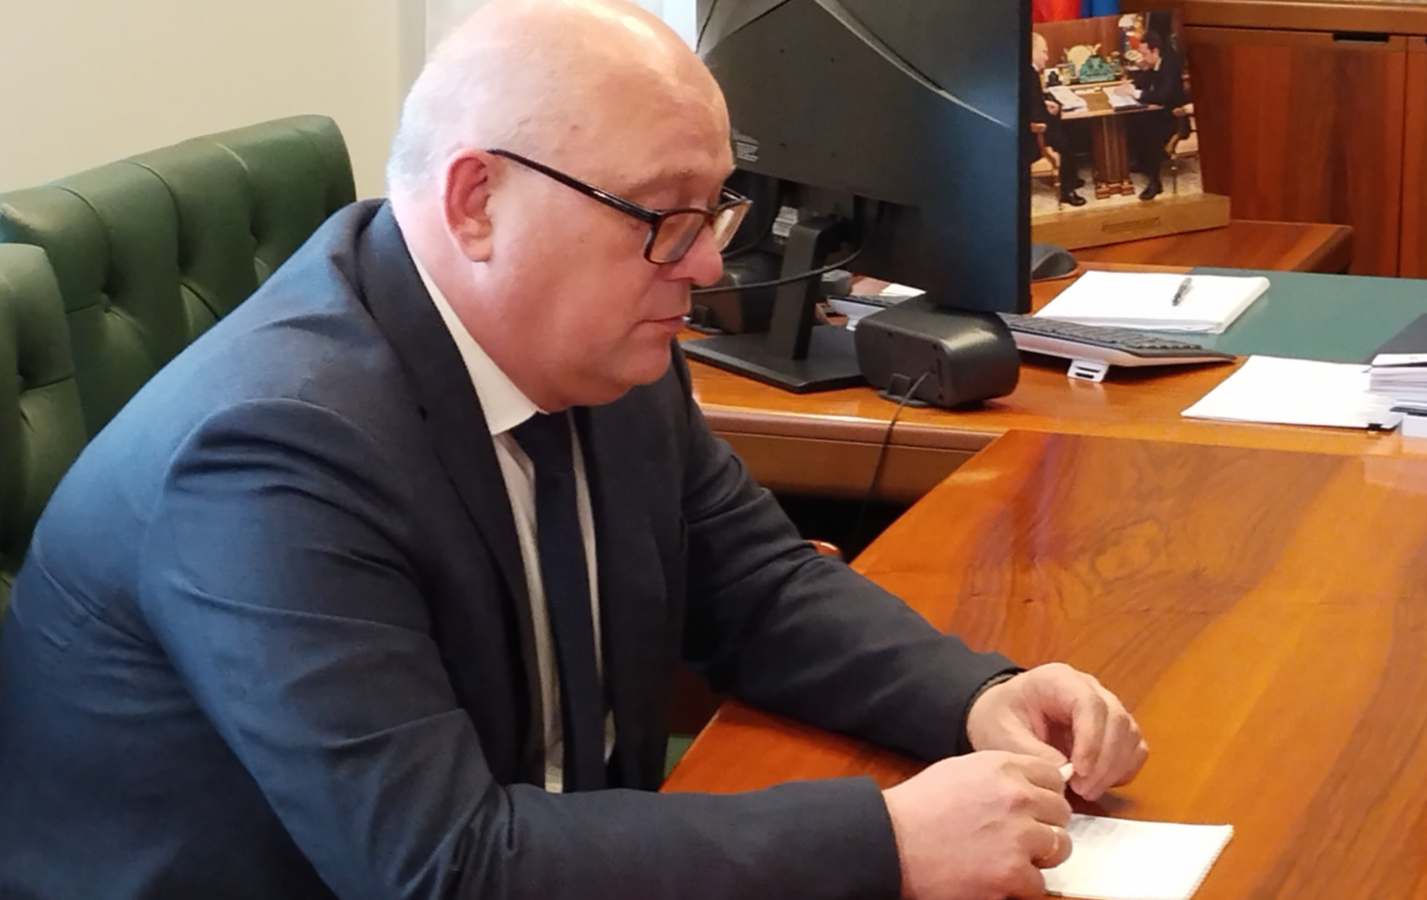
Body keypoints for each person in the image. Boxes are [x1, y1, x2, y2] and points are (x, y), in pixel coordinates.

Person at [0, 1, 1147, 898]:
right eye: (662, 215)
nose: (703, 263)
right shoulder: (273, 455)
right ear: (475, 203)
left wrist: (972, 695)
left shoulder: (594, 344)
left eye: (714, 209)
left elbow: (751, 584)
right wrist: (883, 839)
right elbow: (441, 865)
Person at [1121, 31, 1190, 201]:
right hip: (1158, 113)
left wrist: (1136, 93)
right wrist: (1137, 78)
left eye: (1144, 54)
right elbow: (1144, 84)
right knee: (1131, 121)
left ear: (1155, 51)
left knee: (1149, 132)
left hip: (1174, 117)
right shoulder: (1153, 63)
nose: (1142, 57)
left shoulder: (1169, 67)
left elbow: (1162, 96)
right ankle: (1142, 162)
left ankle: (1155, 182)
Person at [1028, 32, 1093, 207]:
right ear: (1031, 51)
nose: (1047, 57)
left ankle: (1071, 178)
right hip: (1034, 134)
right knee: (1064, 142)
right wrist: (1049, 115)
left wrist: (1046, 104)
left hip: (1039, 121)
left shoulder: (1030, 72)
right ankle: (1067, 191)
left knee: (1072, 129)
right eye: (1044, 52)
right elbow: (1032, 111)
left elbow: (1033, 102)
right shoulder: (1029, 74)